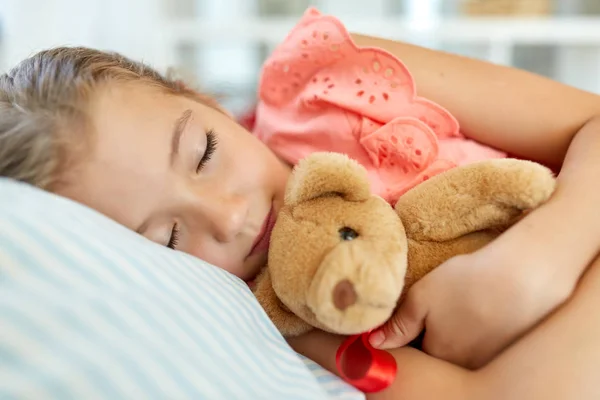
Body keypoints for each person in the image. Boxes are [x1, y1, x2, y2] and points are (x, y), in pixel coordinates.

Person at [1, 8, 600, 399]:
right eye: (168, 239)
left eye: (205, 151)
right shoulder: (295, 324)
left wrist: (540, 257)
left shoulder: (328, 81)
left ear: (200, 96)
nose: (230, 216)